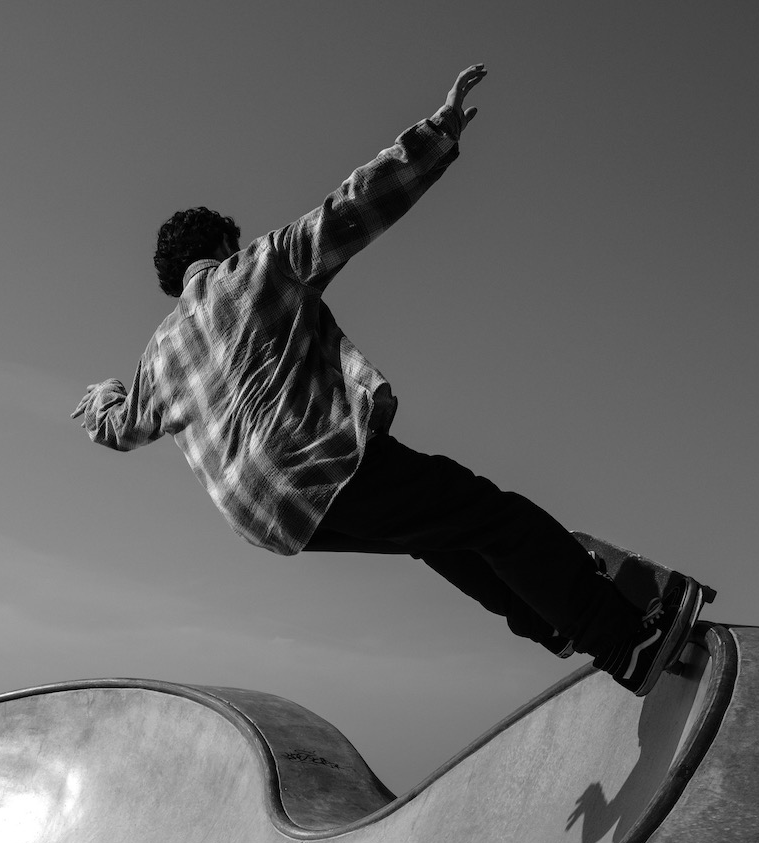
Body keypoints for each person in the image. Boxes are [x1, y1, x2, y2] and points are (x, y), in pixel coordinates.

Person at [72, 65, 710, 695]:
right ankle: (626, 642)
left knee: (430, 534)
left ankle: (550, 618)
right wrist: (439, 132)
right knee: (490, 517)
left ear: (170, 279)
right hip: (316, 464)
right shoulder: (256, 268)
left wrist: (104, 397)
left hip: (268, 519)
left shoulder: (158, 357)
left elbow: (121, 429)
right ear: (223, 240)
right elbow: (352, 210)